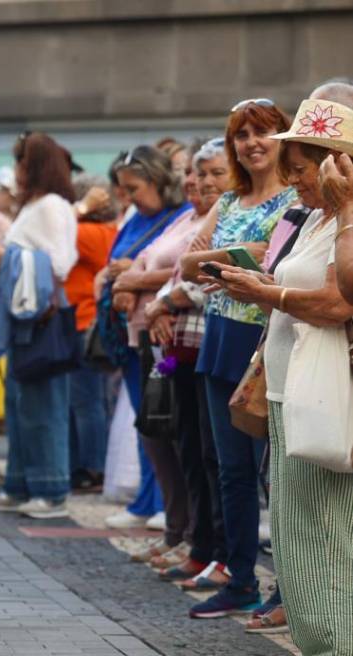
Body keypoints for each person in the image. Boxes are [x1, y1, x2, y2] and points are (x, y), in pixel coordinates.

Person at [212, 98, 353, 656]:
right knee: (297, 525)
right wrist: (265, 284)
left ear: (334, 164)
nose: (292, 180)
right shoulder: (321, 218)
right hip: (294, 387)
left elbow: (339, 301)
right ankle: (320, 646)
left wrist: (267, 295)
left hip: (323, 389)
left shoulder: (344, 218)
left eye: (300, 169)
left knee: (324, 525)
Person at [178, 99, 295, 618]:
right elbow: (186, 263)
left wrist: (219, 260)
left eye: (261, 132)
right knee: (231, 471)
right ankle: (241, 576)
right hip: (219, 337)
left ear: (282, 138)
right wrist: (235, 256)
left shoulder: (296, 197)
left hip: (263, 338)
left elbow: (274, 256)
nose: (251, 144)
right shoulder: (228, 200)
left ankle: (290, 588)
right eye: (241, 136)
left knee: (274, 474)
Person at [141, 139, 233, 584]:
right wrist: (159, 304)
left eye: (217, 173)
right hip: (184, 343)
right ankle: (200, 545)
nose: (204, 182)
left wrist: (162, 303)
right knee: (192, 448)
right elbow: (181, 269)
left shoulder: (232, 213)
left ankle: (222, 552)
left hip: (211, 341)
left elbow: (207, 277)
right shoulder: (194, 217)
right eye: (200, 173)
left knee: (218, 457)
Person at [108, 146, 203, 561]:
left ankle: (186, 529)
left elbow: (189, 270)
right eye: (193, 174)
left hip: (177, 334)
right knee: (152, 426)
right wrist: (126, 281)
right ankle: (173, 524)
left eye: (134, 188)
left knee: (176, 431)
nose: (196, 182)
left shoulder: (193, 215)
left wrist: (139, 284)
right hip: (144, 334)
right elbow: (143, 259)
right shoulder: (183, 218)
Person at [0, 132, 79, 520]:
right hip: (26, 315)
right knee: (21, 403)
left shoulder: (52, 205)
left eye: (22, 161)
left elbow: (60, 262)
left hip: (40, 317)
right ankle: (20, 483)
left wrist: (5, 258)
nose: (17, 169)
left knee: (43, 406)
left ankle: (51, 489)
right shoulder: (36, 205)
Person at [67, 175, 118, 493]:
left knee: (85, 402)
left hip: (80, 320)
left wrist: (77, 209)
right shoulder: (110, 231)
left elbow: (53, 236)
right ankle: (87, 466)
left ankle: (91, 467)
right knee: (92, 400)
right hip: (89, 320)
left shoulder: (82, 232)